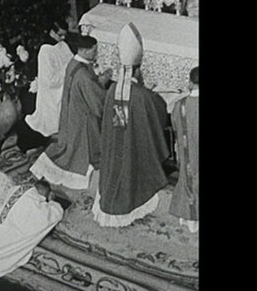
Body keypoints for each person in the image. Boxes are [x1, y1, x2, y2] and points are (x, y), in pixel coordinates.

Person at [92, 23, 170, 227]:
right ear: (137, 70)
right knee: (136, 153)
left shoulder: (113, 91)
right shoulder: (142, 96)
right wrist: (154, 96)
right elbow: (158, 111)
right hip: (134, 144)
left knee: (120, 146)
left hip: (118, 141)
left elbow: (119, 123)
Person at [29, 34, 112, 190]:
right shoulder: (83, 75)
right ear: (86, 51)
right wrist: (104, 83)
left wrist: (98, 81)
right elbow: (97, 102)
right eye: (94, 51)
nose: (96, 54)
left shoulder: (73, 63)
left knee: (69, 145)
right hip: (83, 118)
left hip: (72, 113)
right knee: (79, 151)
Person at [25, 20, 74, 137]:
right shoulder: (45, 51)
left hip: (64, 82)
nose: (63, 38)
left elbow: (71, 59)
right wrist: (67, 71)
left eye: (64, 35)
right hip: (52, 91)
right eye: (60, 34)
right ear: (52, 32)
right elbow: (49, 80)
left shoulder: (63, 44)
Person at [169, 67, 199, 233]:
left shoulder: (179, 105)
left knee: (188, 180)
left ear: (190, 82)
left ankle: (189, 218)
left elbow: (174, 126)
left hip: (187, 154)